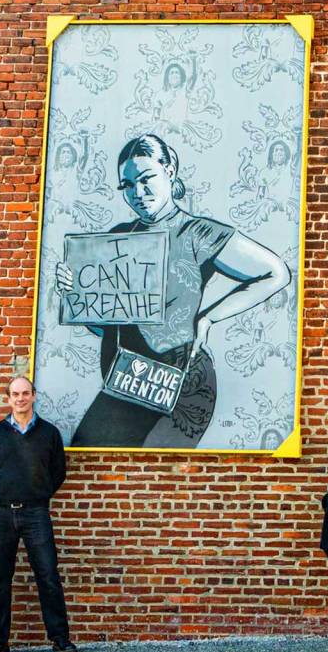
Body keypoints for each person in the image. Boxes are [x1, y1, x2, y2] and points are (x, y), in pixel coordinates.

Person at [55, 134, 291, 448]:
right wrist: (76, 295)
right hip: (127, 381)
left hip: (181, 382)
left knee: (157, 469)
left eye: (146, 179)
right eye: (128, 185)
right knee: (89, 454)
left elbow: (276, 272)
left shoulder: (198, 233)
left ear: (169, 171)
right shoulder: (118, 237)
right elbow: (109, 325)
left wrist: (208, 318)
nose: (138, 193)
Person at [0, 376, 77, 652]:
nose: (20, 398)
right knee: (1, 578)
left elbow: (58, 472)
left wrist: (39, 494)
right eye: (15, 394)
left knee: (48, 574)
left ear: (34, 396)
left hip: (36, 513)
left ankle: (60, 638)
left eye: (25, 393)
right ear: (8, 398)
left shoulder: (49, 433)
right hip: (0, 514)